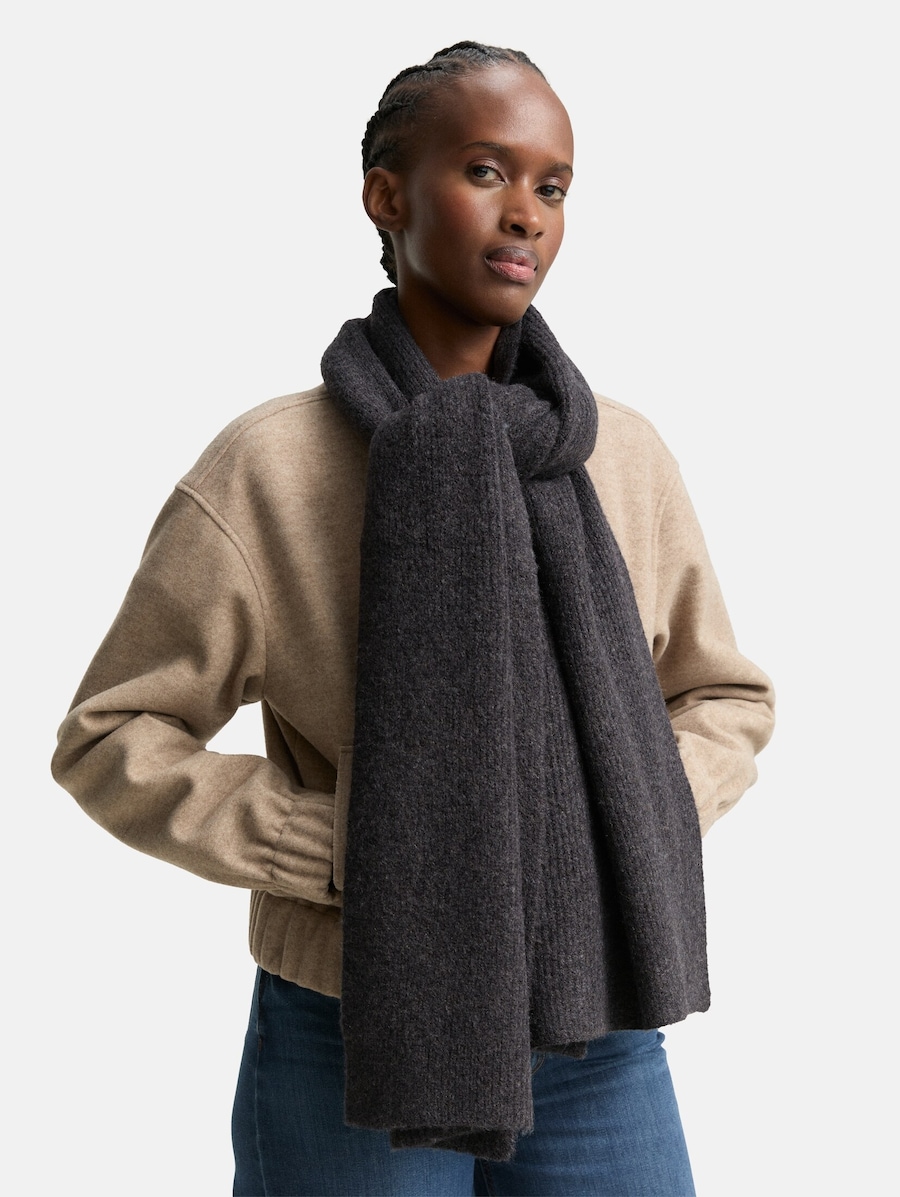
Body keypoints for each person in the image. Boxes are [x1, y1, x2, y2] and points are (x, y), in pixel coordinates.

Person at [52, 40, 775, 1197]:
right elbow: (112, 734)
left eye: (552, 185)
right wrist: (338, 847)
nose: (526, 213)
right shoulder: (273, 466)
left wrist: (620, 815)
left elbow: (722, 695)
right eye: (486, 171)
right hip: (355, 1025)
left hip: (598, 1015)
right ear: (387, 197)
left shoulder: (620, 455)